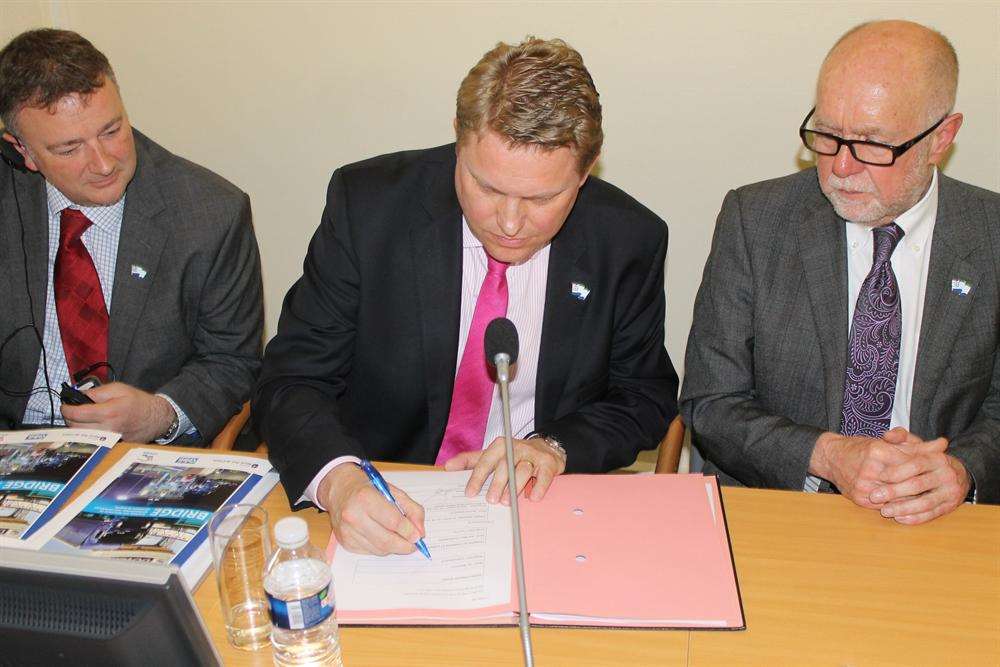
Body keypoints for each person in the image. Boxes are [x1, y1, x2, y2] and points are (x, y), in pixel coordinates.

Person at [254, 37, 678, 555]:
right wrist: (340, 482)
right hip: (383, 495)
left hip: (537, 511)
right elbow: (292, 379)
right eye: (487, 187)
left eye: (542, 198)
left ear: (586, 172)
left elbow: (643, 396)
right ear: (459, 139)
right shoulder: (368, 207)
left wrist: (553, 447)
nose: (509, 222)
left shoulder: (627, 239)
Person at [681, 20, 999, 524]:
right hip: (785, 510)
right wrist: (828, 456)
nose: (841, 168)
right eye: (827, 134)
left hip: (944, 524)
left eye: (873, 144)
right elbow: (710, 402)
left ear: (942, 138)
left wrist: (964, 471)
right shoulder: (756, 220)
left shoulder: (991, 237)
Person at [0, 29, 263, 444]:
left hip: (143, 450)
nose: (104, 164)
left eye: (112, 130)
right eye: (69, 149)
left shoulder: (211, 212)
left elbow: (232, 363)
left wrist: (160, 414)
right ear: (22, 151)